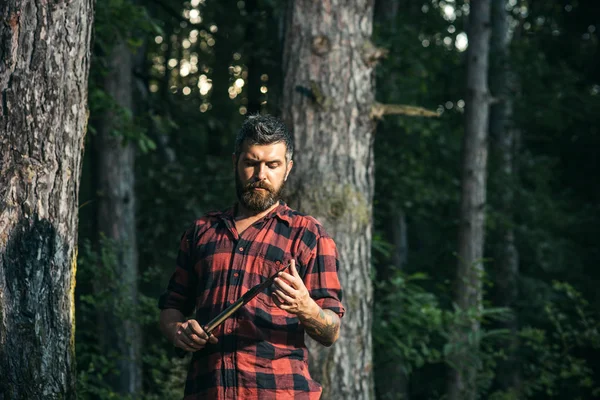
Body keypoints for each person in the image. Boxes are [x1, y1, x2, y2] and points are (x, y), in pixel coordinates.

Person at [158, 114, 345, 399]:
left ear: (287, 169)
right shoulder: (201, 231)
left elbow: (331, 331)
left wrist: (306, 306)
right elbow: (172, 307)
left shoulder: (309, 235)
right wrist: (178, 331)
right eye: (251, 163)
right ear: (236, 162)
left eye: (273, 165)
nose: (261, 175)